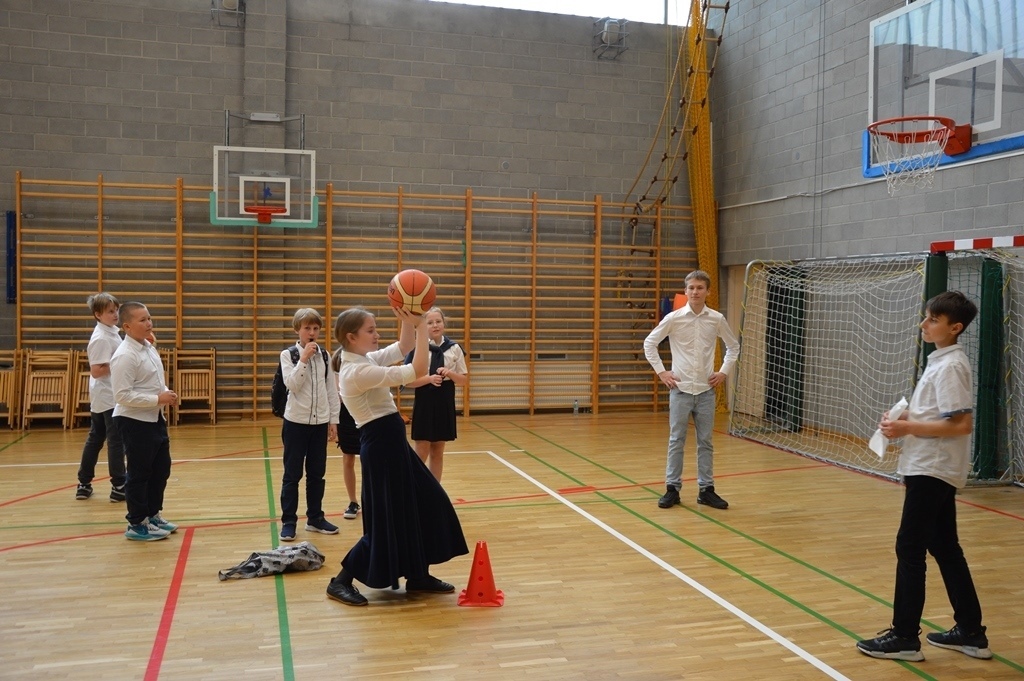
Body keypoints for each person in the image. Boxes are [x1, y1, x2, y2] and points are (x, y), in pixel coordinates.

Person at [856, 291, 992, 662]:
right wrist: (904, 419)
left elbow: (961, 424)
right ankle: (971, 631)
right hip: (929, 465)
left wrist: (908, 427)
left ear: (955, 327)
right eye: (926, 317)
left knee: (910, 547)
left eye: (933, 319)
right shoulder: (941, 361)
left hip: (933, 469)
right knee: (945, 547)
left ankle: (904, 637)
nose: (924, 324)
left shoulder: (951, 366)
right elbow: (938, 415)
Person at [326, 306, 469, 607]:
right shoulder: (357, 371)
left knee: (427, 501)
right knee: (385, 522)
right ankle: (341, 580)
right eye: (370, 331)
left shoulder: (364, 359)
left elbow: (403, 346)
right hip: (381, 448)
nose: (377, 335)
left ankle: (418, 574)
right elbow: (417, 369)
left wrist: (408, 320)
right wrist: (420, 325)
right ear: (351, 337)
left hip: (393, 444)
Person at [643, 270, 739, 511]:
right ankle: (672, 489)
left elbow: (733, 347)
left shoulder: (716, 319)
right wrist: (662, 372)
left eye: (700, 288)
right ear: (685, 291)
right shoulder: (673, 318)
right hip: (680, 390)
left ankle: (706, 490)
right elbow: (650, 343)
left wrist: (723, 372)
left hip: (706, 392)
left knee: (705, 442)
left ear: (708, 291)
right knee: (676, 440)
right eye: (691, 288)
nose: (695, 292)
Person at [110, 302, 179, 542]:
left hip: (154, 417)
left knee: (161, 469)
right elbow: (121, 395)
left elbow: (154, 381)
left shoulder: (148, 347)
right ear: (127, 326)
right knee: (139, 473)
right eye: (142, 320)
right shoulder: (124, 356)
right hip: (134, 420)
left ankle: (152, 514)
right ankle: (137, 522)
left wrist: (165, 393)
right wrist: (157, 399)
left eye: (149, 318)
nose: (149, 323)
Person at [278, 308, 341, 542]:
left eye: (315, 328)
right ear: (298, 330)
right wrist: (303, 359)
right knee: (292, 474)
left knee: (317, 474)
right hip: (295, 423)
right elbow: (292, 385)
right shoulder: (289, 355)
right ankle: (289, 521)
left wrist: (333, 420)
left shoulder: (325, 355)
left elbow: (331, 390)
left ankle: (315, 518)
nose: (312, 332)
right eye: (307, 328)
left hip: (320, 423)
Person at [404, 306, 468, 481]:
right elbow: (407, 382)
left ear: (444, 324)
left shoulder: (454, 348)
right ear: (423, 326)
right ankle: (415, 487)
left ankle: (435, 491)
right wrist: (429, 379)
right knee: (421, 449)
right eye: (430, 322)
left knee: (438, 451)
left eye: (438, 321)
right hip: (424, 400)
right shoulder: (418, 347)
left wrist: (450, 373)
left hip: (444, 400)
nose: (435, 325)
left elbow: (463, 380)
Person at [75, 293, 127, 503]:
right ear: (98, 314)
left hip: (106, 394)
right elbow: (97, 371)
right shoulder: (101, 338)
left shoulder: (112, 332)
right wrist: (121, 362)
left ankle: (84, 483)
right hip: (107, 396)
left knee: (96, 437)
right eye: (110, 311)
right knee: (115, 441)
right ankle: (119, 485)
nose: (115, 314)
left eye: (116, 310)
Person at [330, 347, 363, 521]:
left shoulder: (365, 360)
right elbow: (335, 396)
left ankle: (371, 498)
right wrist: (333, 420)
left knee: (369, 459)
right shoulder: (337, 361)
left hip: (364, 412)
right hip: (345, 415)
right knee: (348, 458)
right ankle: (353, 502)